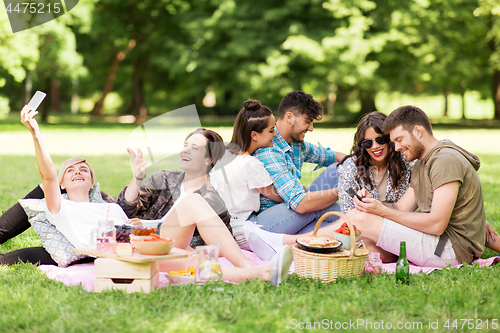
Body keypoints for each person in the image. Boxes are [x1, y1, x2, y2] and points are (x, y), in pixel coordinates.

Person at [1, 105, 293, 286]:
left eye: (84, 169)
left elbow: (127, 215)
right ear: (61, 184)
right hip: (124, 250)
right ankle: (259, 272)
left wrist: (138, 227)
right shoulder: (58, 207)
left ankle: (261, 272)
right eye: (70, 170)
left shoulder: (104, 204)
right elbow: (48, 176)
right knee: (189, 258)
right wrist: (36, 133)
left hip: (147, 240)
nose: (78, 172)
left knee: (191, 255)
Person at [246, 107, 500, 263]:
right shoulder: (424, 164)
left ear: (419, 132)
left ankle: (287, 244)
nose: (396, 146)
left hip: (449, 248)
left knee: (360, 226)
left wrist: (378, 212)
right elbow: (402, 206)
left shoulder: (442, 160)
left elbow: (435, 223)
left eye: (396, 139)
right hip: (443, 242)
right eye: (393, 141)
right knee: (362, 236)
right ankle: (296, 246)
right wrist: (377, 209)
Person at [116, 128, 232, 248]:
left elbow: (217, 245)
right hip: (132, 243)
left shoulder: (211, 203)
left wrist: (147, 230)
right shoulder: (164, 179)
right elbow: (124, 209)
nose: (185, 151)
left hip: (166, 253)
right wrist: (138, 178)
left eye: (194, 148)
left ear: (209, 159)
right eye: (185, 145)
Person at [252, 91, 347, 236]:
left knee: (338, 169)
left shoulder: (296, 144)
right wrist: (344, 190)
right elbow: (301, 204)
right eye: (307, 121)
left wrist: (360, 162)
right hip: (269, 223)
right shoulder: (269, 150)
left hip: (297, 214)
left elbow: (332, 156)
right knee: (322, 210)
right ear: (289, 117)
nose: (310, 128)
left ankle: (356, 221)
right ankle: (357, 219)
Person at [209, 100, 283, 249]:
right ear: (254, 135)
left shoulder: (223, 155)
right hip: (243, 230)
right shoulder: (250, 163)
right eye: (271, 130)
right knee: (305, 208)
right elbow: (279, 196)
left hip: (222, 228)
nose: (275, 134)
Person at [337, 111, 412, 214]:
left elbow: (406, 209)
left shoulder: (405, 163)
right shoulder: (349, 169)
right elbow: (348, 215)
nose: (375, 146)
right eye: (368, 143)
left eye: (380, 139)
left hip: (399, 224)